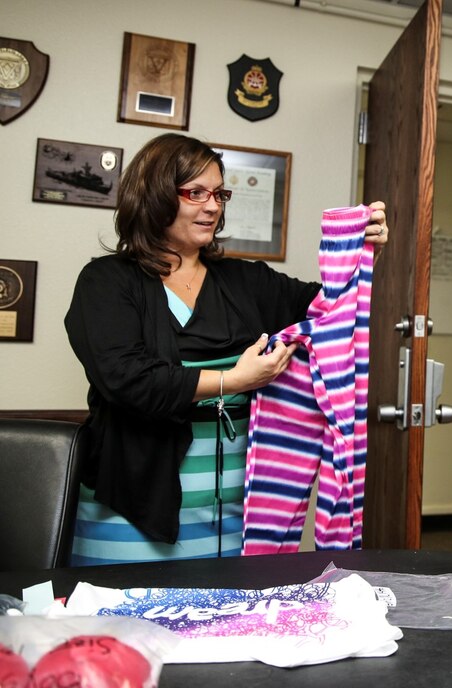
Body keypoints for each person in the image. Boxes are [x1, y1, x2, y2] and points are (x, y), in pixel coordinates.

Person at [65, 133, 389, 565]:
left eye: (219, 193)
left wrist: (363, 252)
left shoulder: (244, 281)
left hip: (235, 518)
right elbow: (126, 378)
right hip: (130, 512)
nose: (213, 206)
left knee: (227, 625)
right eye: (195, 192)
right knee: (125, 627)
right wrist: (234, 380)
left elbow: (332, 313)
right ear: (154, 195)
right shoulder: (105, 282)